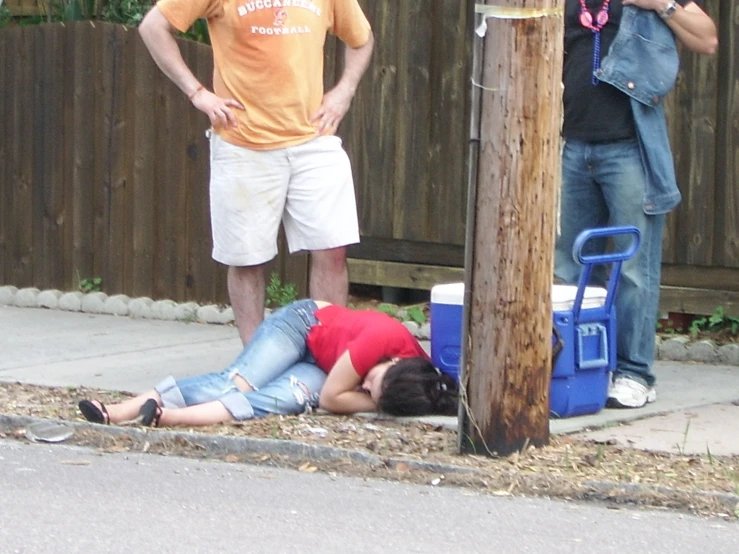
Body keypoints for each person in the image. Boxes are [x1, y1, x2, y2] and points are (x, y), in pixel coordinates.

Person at [138, 0, 375, 345]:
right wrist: (197, 93)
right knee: (247, 258)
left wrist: (344, 91)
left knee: (332, 250)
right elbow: (152, 27)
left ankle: (328, 354)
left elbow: (362, 38)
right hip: (243, 142)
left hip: (314, 138)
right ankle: (255, 361)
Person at [555, 0, 717, 408]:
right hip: (572, 146)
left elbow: (707, 38)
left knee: (632, 272)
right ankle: (578, 368)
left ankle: (634, 374)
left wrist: (662, 4)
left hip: (629, 149)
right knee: (570, 267)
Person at [78, 299, 459, 427]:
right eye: (371, 382)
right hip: (303, 325)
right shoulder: (382, 338)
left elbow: (336, 392)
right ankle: (117, 410)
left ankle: (165, 416)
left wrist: (377, 396)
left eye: (370, 395)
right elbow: (332, 398)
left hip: (324, 367)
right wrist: (372, 400)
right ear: (393, 360)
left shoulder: (411, 383)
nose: (364, 387)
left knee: (279, 400)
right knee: (237, 383)